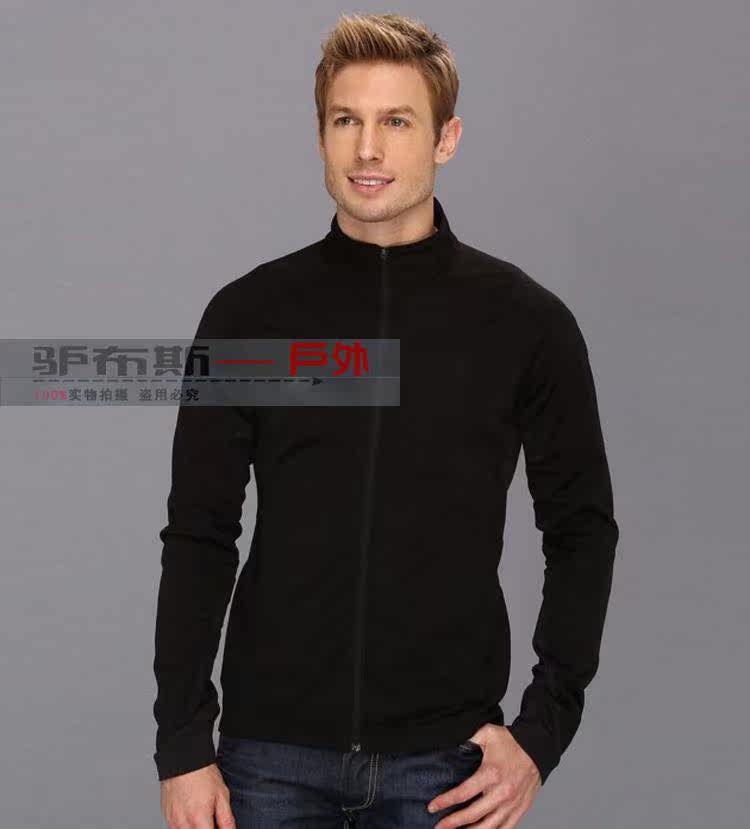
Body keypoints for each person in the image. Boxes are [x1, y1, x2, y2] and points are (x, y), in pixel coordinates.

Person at [153, 12, 619, 829]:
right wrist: (183, 743)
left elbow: (581, 528)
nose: (367, 149)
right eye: (347, 120)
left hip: (445, 768)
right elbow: (199, 532)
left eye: (397, 121)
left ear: (446, 139)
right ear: (321, 136)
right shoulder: (250, 316)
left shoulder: (525, 324)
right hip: (268, 761)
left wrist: (543, 731)